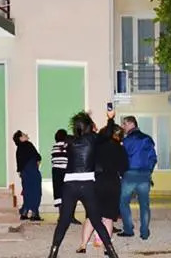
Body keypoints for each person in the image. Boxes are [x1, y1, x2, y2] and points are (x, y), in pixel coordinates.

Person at [47, 110, 120, 258]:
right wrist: (110, 118)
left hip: (69, 185)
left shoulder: (69, 140)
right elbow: (107, 134)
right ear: (88, 126)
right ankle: (112, 252)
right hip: (87, 185)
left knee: (64, 221)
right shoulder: (92, 139)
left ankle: (53, 252)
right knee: (96, 220)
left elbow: (64, 142)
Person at [78, 122, 128, 253]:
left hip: (96, 182)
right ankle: (107, 247)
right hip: (112, 182)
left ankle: (83, 245)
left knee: (91, 216)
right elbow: (124, 168)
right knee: (108, 217)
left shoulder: (95, 146)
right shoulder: (119, 148)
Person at [119, 116, 157, 240]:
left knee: (123, 202)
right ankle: (144, 232)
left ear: (131, 124)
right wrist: (149, 171)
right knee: (144, 204)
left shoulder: (126, 141)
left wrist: (122, 172)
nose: (123, 127)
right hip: (144, 174)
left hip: (130, 174)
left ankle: (128, 229)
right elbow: (153, 158)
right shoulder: (147, 139)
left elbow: (122, 158)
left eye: (124, 124)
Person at [13, 130, 43, 221]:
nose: (26, 135)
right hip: (32, 171)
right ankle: (34, 213)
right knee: (36, 191)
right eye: (23, 134)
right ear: (20, 138)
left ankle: (24, 212)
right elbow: (38, 157)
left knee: (27, 191)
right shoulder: (28, 144)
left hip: (24, 173)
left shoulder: (18, 149)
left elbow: (19, 166)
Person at [51, 129, 79, 224]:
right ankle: (70, 216)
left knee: (59, 194)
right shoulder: (67, 145)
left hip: (56, 171)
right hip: (66, 171)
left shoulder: (54, 147)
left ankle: (61, 216)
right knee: (70, 194)